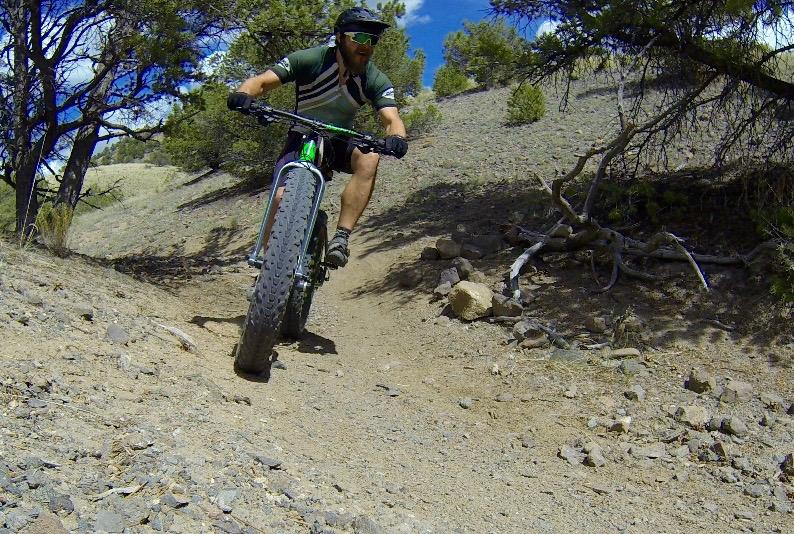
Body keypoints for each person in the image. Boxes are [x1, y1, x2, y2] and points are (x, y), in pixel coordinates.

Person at [226, 7, 409, 268]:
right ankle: (267, 271)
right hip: (301, 135)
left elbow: (391, 118)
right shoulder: (311, 60)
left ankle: (341, 238)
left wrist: (397, 138)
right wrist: (244, 94)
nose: (366, 46)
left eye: (373, 40)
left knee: (369, 158)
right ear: (339, 37)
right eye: (359, 37)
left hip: (339, 141)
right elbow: (264, 81)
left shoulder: (374, 78)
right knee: (280, 198)